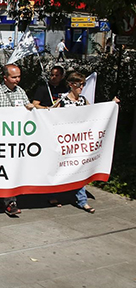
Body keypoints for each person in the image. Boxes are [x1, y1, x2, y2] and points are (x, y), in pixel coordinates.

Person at [51, 72, 119, 213]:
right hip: (65, 141)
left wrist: (111, 104)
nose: (81, 87)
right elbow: (52, 116)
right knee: (61, 168)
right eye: (78, 84)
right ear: (71, 84)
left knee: (79, 169)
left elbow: (95, 113)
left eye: (83, 84)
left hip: (79, 141)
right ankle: (55, 195)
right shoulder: (62, 100)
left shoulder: (83, 100)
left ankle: (82, 200)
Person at [0, 64, 34, 216]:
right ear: (5, 78)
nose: (17, 80)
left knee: (11, 170)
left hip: (16, 140)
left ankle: (8, 199)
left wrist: (30, 109)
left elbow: (27, 108)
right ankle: (4, 199)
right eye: (14, 77)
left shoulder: (21, 92)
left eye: (19, 76)